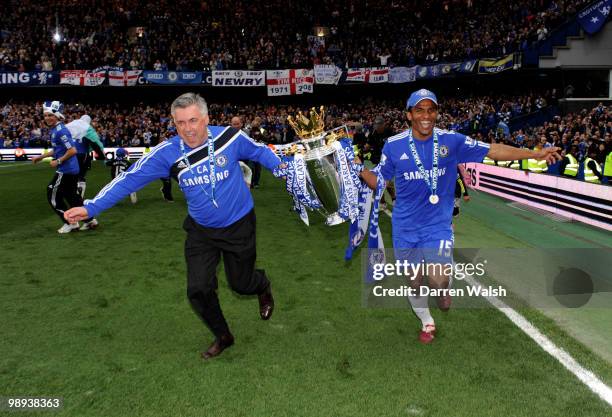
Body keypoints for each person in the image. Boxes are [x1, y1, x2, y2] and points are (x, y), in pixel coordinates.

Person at [64, 93, 285, 359]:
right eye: (181, 123)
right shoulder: (167, 153)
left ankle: (262, 286)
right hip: (201, 231)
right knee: (198, 290)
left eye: (193, 120)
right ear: (174, 123)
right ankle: (223, 335)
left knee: (240, 284)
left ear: (205, 119)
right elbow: (129, 178)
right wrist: (91, 207)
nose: (188, 129)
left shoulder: (229, 137)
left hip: (239, 224)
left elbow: (260, 152)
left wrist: (286, 170)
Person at [360, 89, 561, 344]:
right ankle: (427, 322)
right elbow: (378, 181)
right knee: (414, 283)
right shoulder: (394, 144)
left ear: (436, 113)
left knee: (437, 280)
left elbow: (493, 150)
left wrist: (534, 154)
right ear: (409, 115)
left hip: (437, 226)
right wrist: (355, 167)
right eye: (419, 110)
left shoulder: (451, 141)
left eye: (431, 110)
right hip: (404, 227)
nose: (426, 115)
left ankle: (443, 288)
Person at [31, 101, 98, 233]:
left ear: (57, 116)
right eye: (45, 115)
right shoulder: (57, 129)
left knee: (52, 194)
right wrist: (41, 157)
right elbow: (58, 149)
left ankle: (70, 223)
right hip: (72, 169)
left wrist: (58, 161)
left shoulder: (60, 131)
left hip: (66, 170)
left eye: (50, 115)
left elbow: (72, 150)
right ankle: (90, 220)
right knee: (73, 197)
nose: (47, 118)